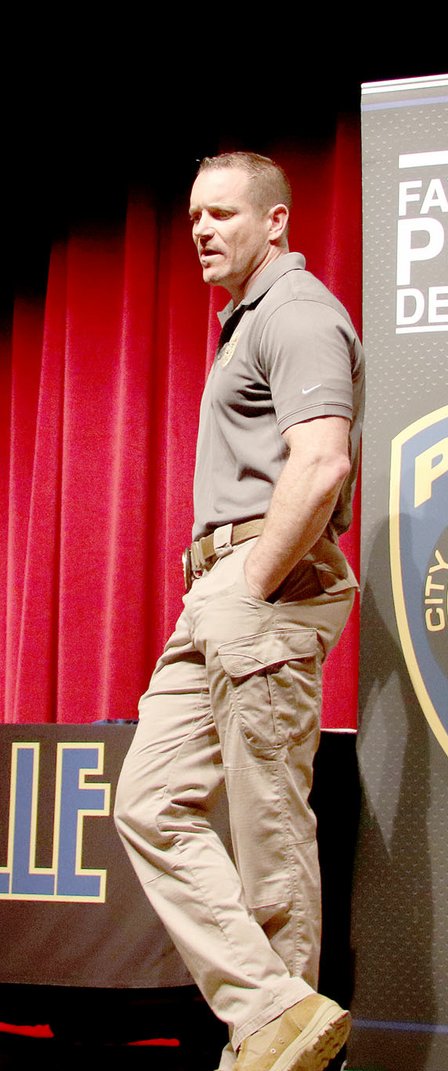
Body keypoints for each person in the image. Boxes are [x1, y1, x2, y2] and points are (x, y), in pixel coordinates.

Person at [115, 151, 364, 1071]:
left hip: (261, 581)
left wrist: (250, 586)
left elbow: (322, 462)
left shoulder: (296, 314)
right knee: (147, 800)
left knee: (269, 833)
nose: (203, 232)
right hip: (219, 590)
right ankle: (271, 1011)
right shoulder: (250, 321)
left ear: (277, 221)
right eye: (192, 219)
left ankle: (278, 1054)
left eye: (222, 214)